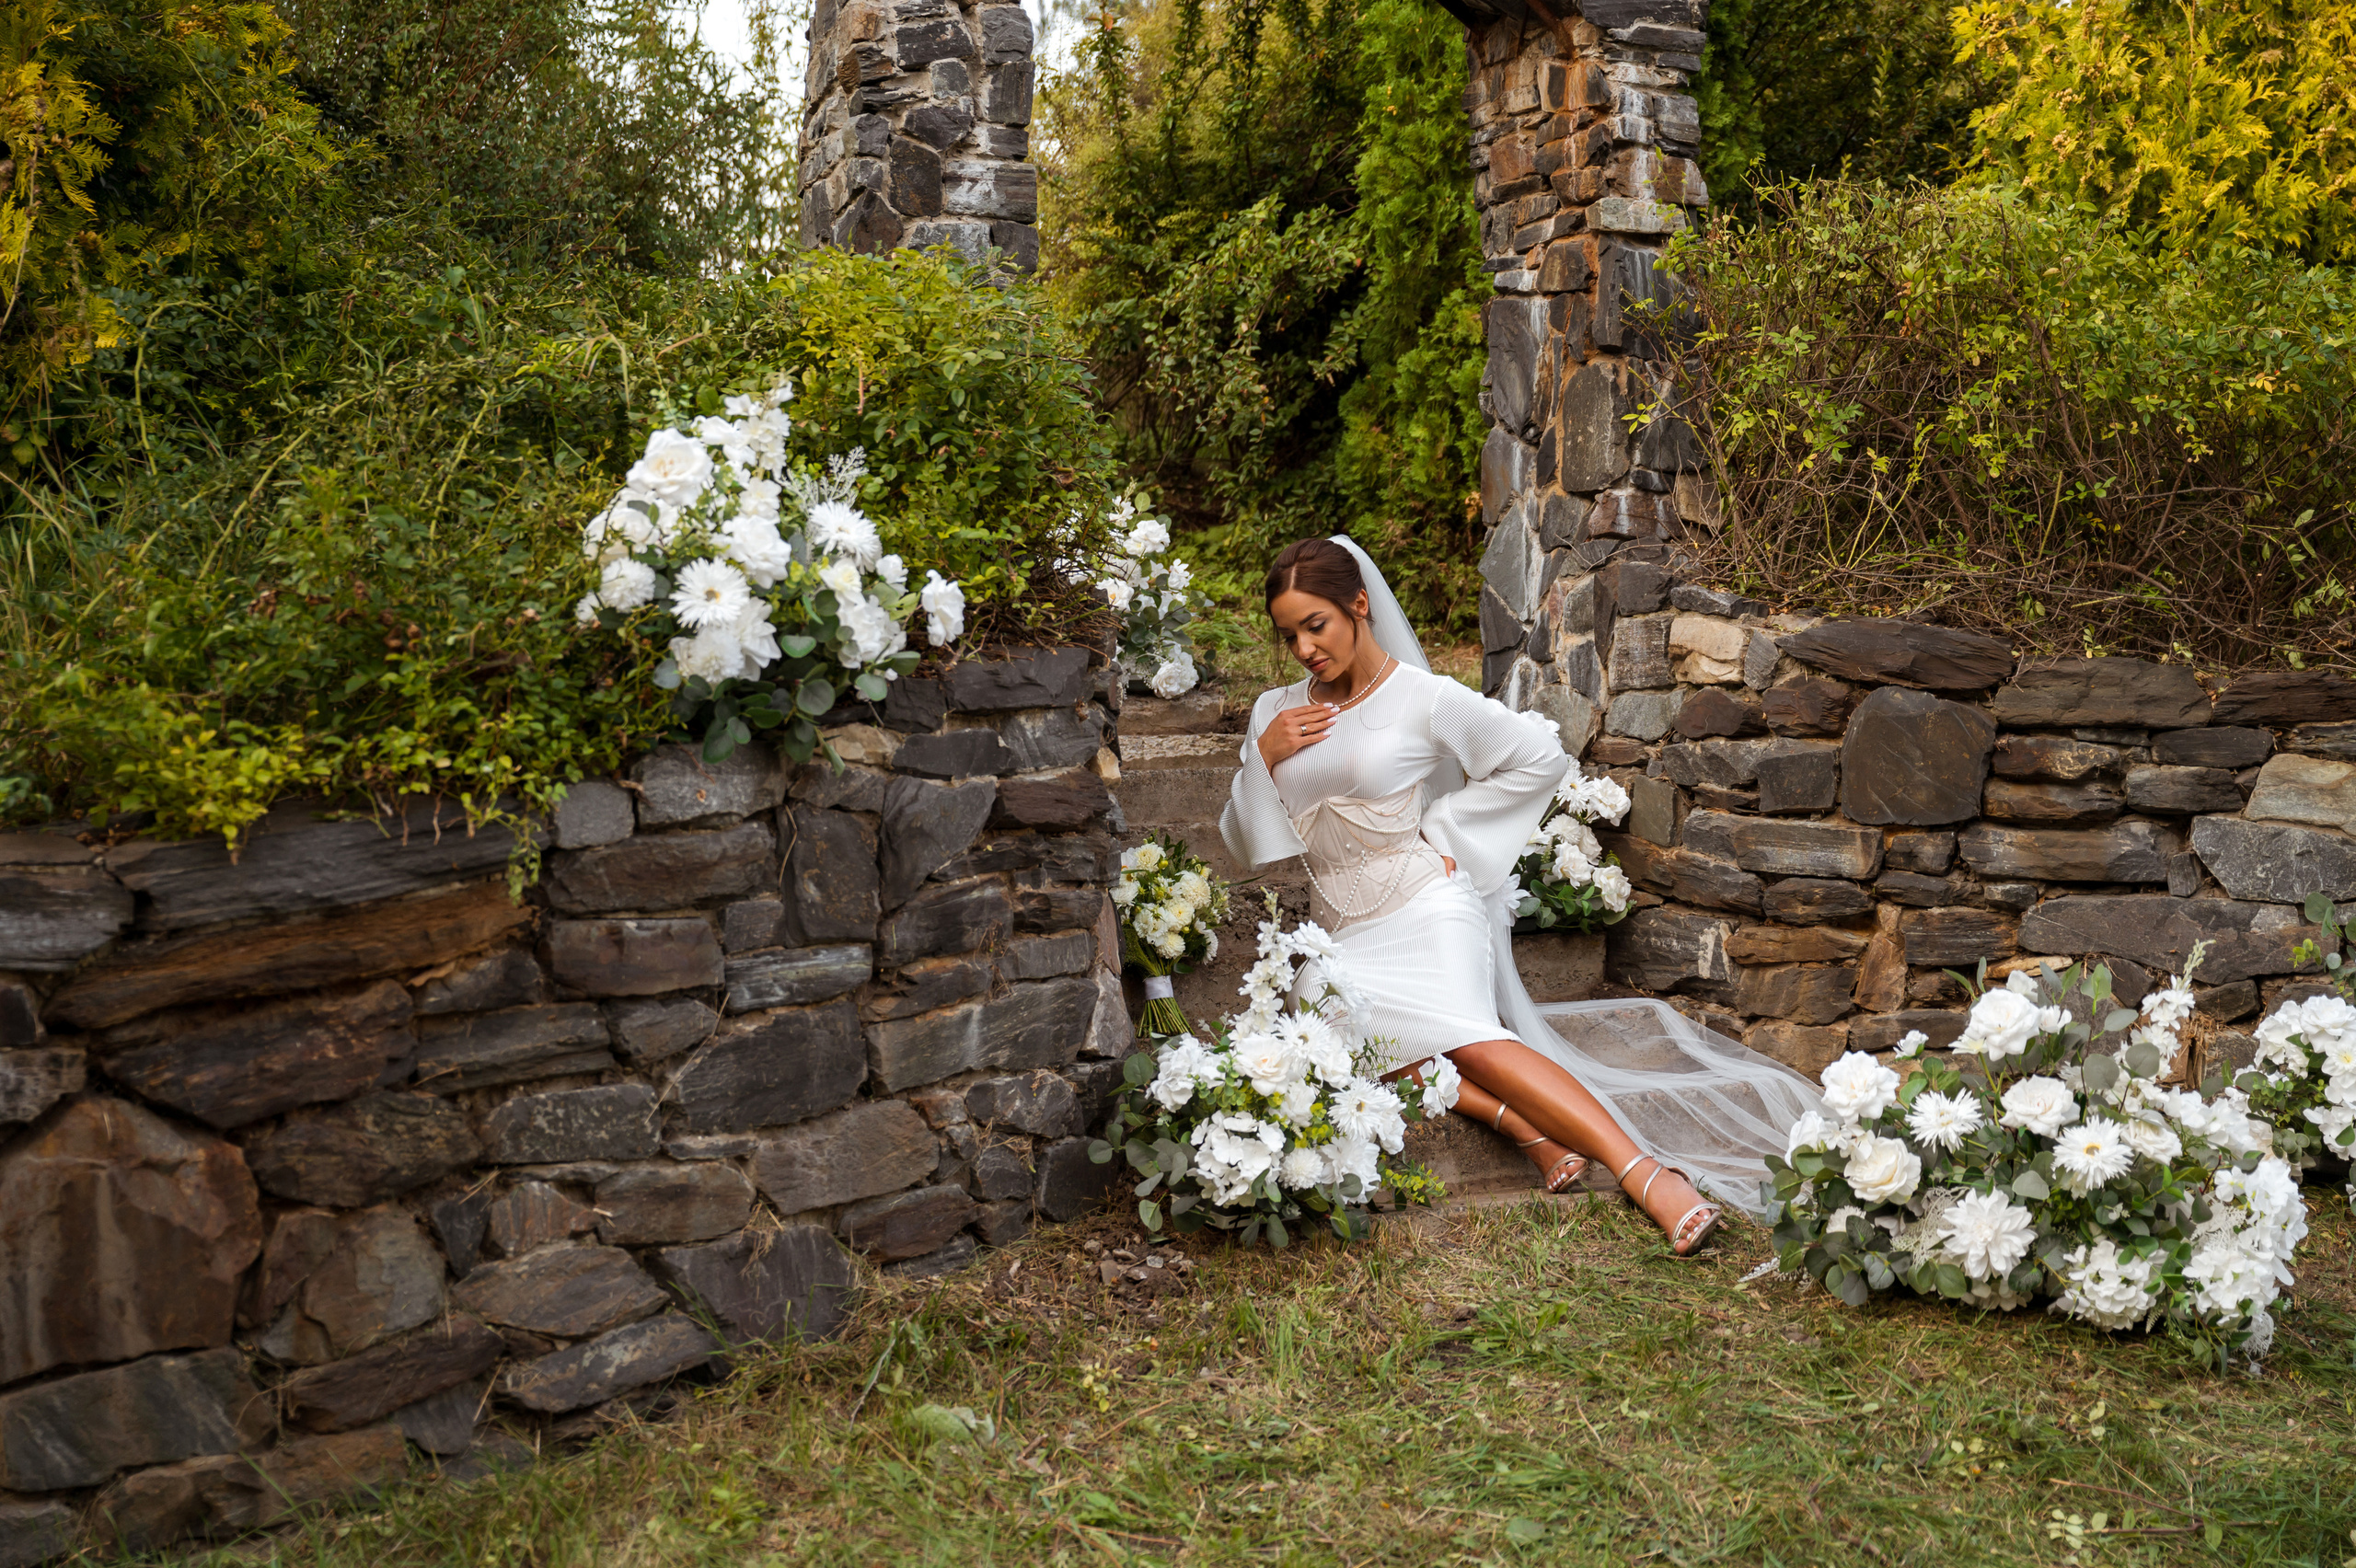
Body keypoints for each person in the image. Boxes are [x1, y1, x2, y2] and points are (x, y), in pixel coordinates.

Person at [1219, 536, 1824, 1255]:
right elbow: (1245, 843)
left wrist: (1445, 829)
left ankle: (1645, 1173)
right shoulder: (1275, 712)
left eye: (1315, 625)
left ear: (1358, 605)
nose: (1303, 649)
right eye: (1288, 634)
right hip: (1338, 938)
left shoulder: (1423, 697)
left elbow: (1538, 758)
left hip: (1424, 908)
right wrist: (1265, 756)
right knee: (1336, 1039)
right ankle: (1528, 1131)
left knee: (1470, 1041)